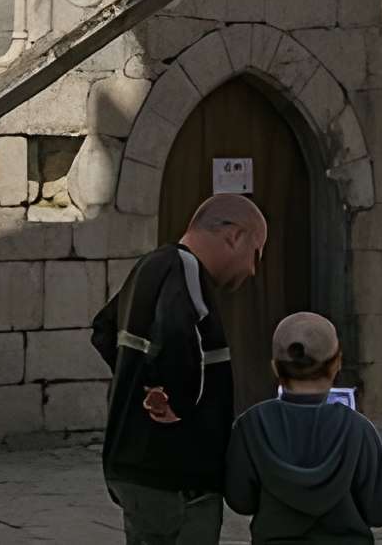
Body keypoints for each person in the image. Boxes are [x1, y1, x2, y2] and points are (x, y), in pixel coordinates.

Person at [92, 193, 268, 545]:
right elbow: (176, 332)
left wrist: (140, 385)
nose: (252, 269)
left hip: (135, 467)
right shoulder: (186, 268)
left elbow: (103, 330)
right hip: (178, 477)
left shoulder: (150, 266)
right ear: (234, 235)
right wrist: (175, 400)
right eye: (256, 253)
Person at [225, 313, 382, 543]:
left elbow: (240, 501)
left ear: (275, 367)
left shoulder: (251, 425)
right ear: (337, 364)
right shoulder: (358, 429)